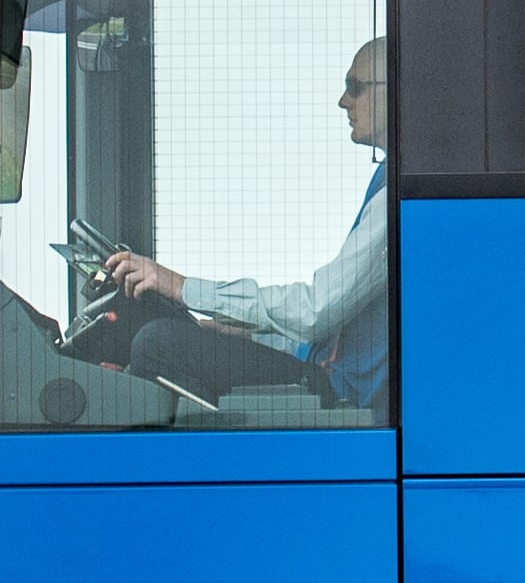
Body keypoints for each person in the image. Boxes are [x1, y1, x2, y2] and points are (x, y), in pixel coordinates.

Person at [100, 38, 390, 411]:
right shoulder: (387, 181)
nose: (342, 101)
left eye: (355, 87)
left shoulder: (399, 199)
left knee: (157, 343)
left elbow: (317, 311)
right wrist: (238, 333)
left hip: (342, 392)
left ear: (397, 91)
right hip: (323, 370)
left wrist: (180, 287)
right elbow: (328, 332)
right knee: (168, 342)